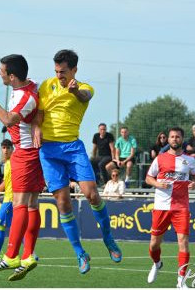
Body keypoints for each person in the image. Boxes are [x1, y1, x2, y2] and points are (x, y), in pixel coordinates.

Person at [32, 49, 122, 275]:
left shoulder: (85, 87)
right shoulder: (46, 86)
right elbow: (40, 113)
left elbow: (84, 97)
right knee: (63, 203)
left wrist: (74, 92)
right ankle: (80, 253)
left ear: (74, 70)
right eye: (56, 71)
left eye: (63, 72)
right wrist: (36, 129)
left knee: (91, 194)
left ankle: (108, 239)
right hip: (49, 151)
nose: (59, 75)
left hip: (72, 147)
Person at [0, 54, 45, 281]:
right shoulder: (32, 86)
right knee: (31, 204)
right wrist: (38, 123)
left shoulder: (25, 97)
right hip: (33, 152)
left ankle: (11, 256)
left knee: (19, 204)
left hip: (26, 153)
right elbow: (42, 105)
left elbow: (8, 120)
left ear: (12, 76)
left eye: (2, 71)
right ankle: (28, 256)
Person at [145, 127, 195, 288]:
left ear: (182, 139)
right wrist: (157, 183)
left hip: (181, 206)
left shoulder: (190, 160)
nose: (174, 139)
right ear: (168, 140)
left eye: (177, 137)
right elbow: (148, 178)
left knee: (183, 242)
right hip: (161, 206)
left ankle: (181, 281)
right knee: (154, 244)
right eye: (172, 137)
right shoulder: (160, 159)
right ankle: (157, 263)